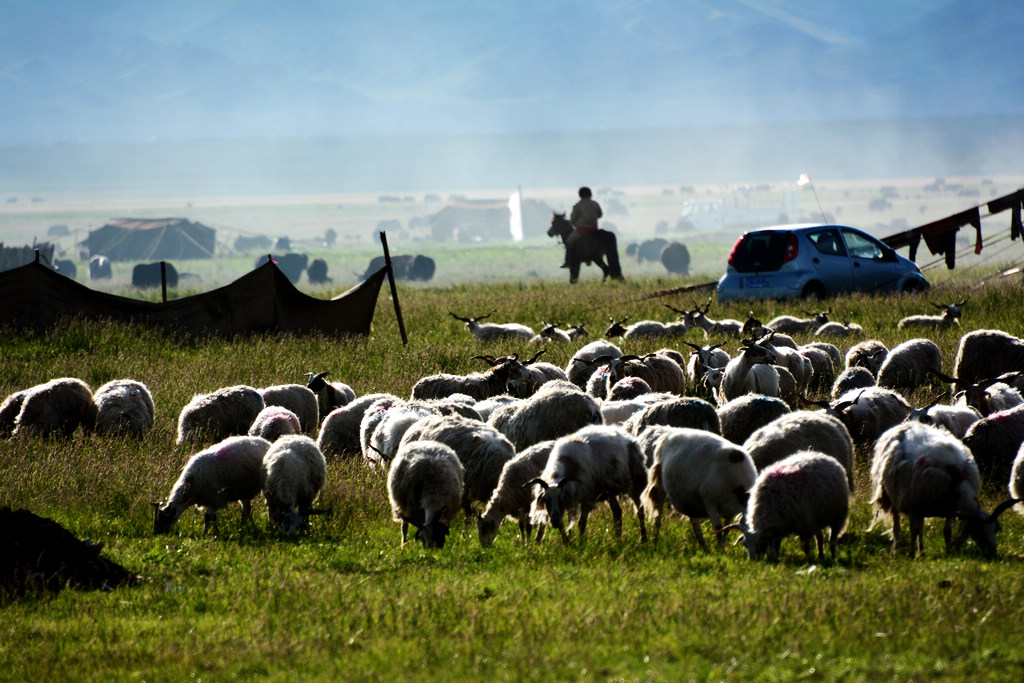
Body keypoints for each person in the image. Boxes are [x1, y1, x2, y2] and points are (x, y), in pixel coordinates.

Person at [561, 186, 603, 268]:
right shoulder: (595, 204)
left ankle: (568, 261)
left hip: (582, 230)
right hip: (594, 229)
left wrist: (576, 223)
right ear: (590, 194)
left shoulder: (577, 205)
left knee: (569, 241)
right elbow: (600, 215)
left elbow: (572, 220)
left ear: (580, 195)